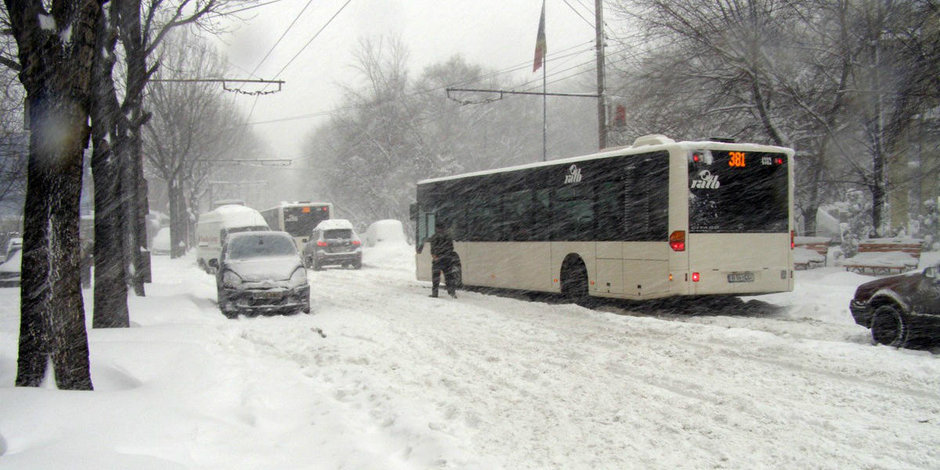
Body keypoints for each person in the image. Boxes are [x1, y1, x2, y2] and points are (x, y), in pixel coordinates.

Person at [428, 221, 457, 298]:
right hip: (447, 259)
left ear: (436, 228)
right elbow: (451, 248)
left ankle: (435, 293)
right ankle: (452, 293)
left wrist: (435, 257)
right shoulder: (448, 237)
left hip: (438, 259)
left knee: (436, 278)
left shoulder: (434, 237)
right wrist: (447, 255)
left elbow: (432, 250)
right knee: (449, 277)